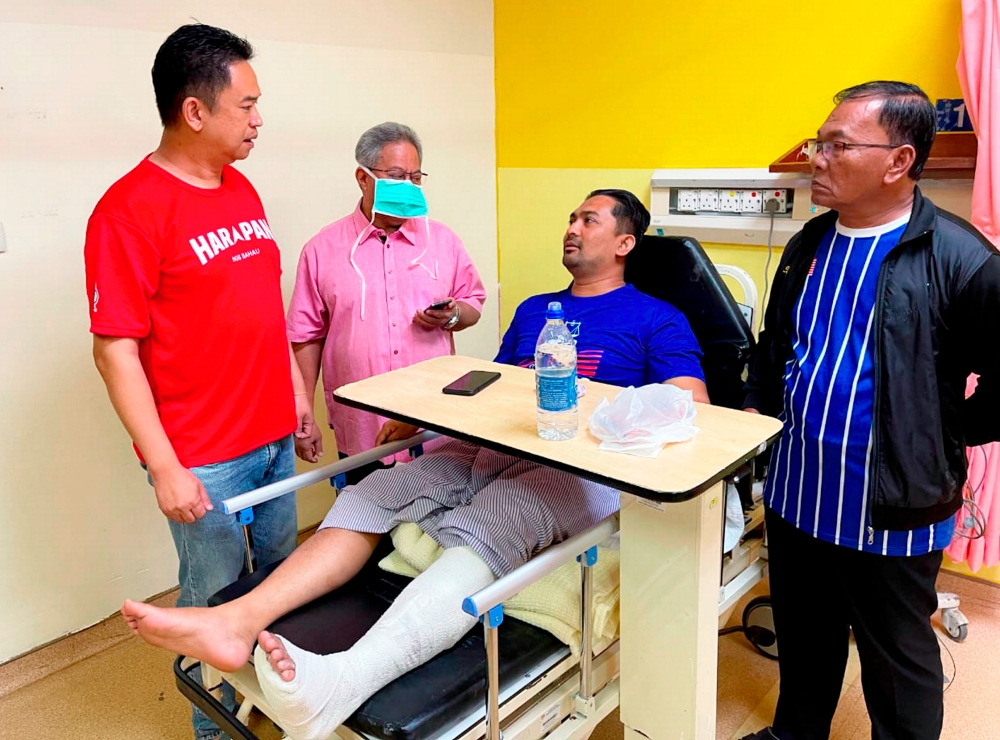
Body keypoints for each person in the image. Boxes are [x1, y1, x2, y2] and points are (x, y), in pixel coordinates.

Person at [120, 189, 708, 740]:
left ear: (625, 243)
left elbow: (692, 409)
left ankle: (341, 682)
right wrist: (424, 419)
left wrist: (594, 418)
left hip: (578, 468)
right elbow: (492, 387)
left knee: (491, 523)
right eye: (572, 219)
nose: (572, 228)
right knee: (372, 493)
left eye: (589, 220)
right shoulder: (535, 311)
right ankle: (237, 620)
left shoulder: (656, 317)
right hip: (490, 443)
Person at [741, 81, 1000, 740]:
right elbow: (777, 351)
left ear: (898, 161)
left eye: (837, 146)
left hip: (893, 505)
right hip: (799, 492)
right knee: (805, 639)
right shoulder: (806, 247)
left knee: (897, 660)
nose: (816, 159)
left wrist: (948, 434)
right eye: (816, 143)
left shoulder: (962, 261)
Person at [85, 24, 313, 740]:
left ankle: (279, 706)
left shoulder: (240, 186)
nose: (258, 119)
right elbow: (114, 350)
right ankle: (215, 728)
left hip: (272, 431)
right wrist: (164, 468)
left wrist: (297, 398)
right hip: (204, 458)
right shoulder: (127, 211)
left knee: (279, 585)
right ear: (194, 111)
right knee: (213, 603)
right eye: (245, 105)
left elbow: (259, 308)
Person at [287, 122, 486, 481]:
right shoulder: (322, 249)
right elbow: (306, 335)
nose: (407, 187)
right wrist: (304, 410)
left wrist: (453, 315)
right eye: (396, 176)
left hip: (434, 421)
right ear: (363, 178)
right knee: (365, 524)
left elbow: (473, 302)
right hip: (361, 424)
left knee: (431, 528)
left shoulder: (443, 242)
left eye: (415, 177)